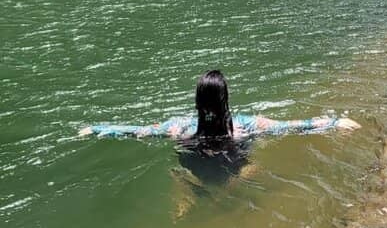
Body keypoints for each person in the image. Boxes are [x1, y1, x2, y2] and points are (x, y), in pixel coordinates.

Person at [80, 68, 360, 156]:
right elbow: (291, 126)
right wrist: (335, 122)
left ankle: (186, 196)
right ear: (225, 100)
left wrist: (96, 128)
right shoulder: (246, 126)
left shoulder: (180, 129)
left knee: (182, 172)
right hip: (235, 163)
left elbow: (138, 132)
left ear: (197, 101)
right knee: (249, 168)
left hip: (195, 161)